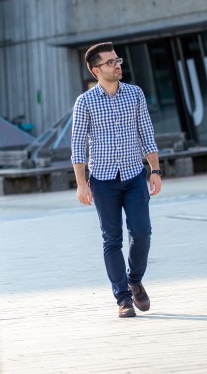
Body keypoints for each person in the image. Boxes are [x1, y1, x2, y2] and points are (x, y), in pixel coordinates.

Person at [70, 42, 162, 318]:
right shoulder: (84, 102)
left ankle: (134, 279)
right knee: (112, 239)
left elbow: (146, 133)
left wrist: (155, 171)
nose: (117, 64)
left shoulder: (134, 94)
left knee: (142, 232)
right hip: (103, 180)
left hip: (134, 175)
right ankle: (123, 299)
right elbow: (77, 146)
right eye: (110, 62)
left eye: (117, 59)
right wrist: (81, 183)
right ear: (96, 70)